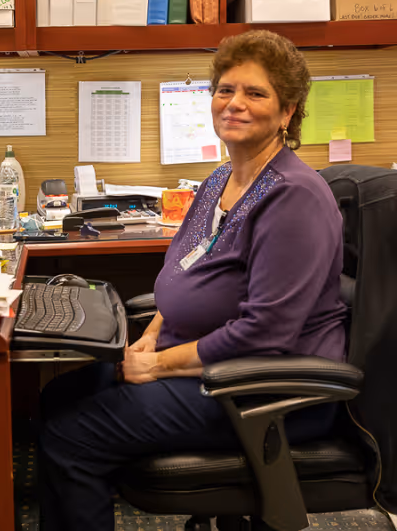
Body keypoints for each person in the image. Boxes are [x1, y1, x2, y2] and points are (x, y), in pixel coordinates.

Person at [38, 30, 348, 531]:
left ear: (288, 112)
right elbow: (186, 273)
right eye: (225, 90)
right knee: (58, 397)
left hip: (261, 389)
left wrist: (157, 365)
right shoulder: (218, 181)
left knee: (74, 434)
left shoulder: (294, 199)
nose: (234, 104)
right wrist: (151, 336)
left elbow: (265, 334)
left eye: (255, 93)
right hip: (202, 364)